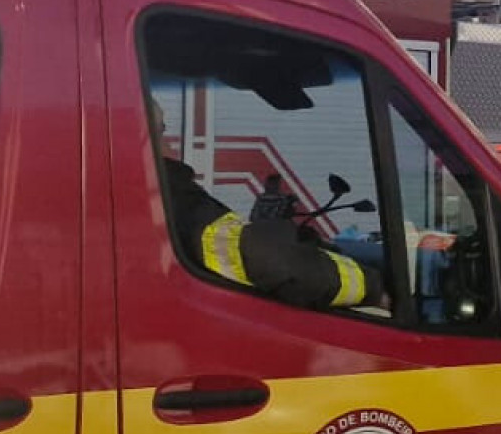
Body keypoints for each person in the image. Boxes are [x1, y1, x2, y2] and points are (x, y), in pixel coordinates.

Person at [150, 97, 374, 312]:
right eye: (159, 134)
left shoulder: (153, 201)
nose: (169, 148)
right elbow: (270, 259)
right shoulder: (171, 196)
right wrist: (373, 288)